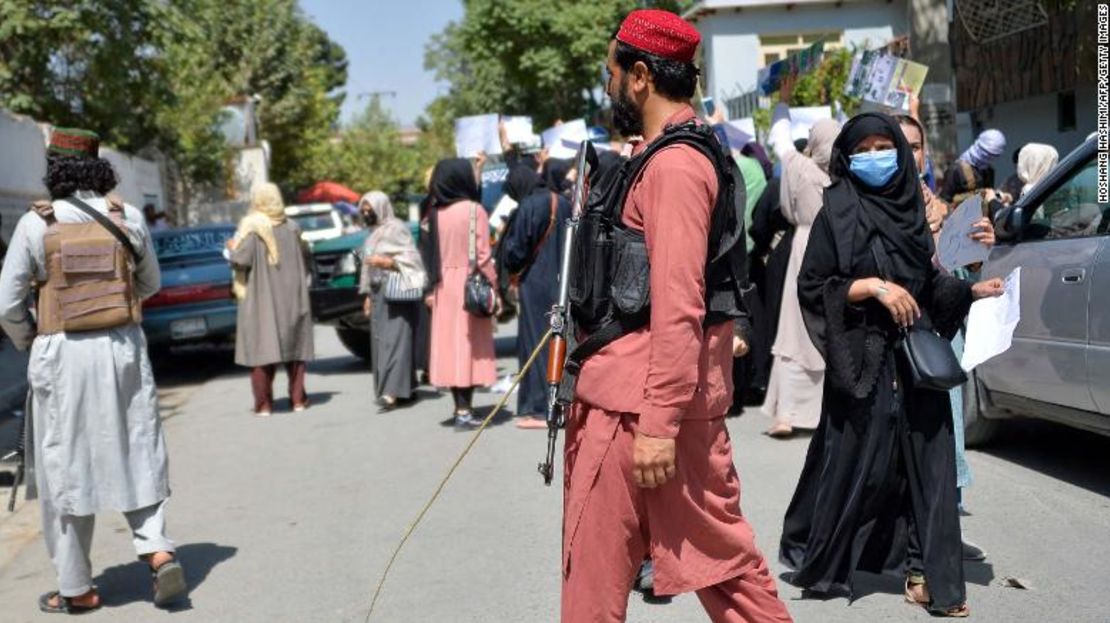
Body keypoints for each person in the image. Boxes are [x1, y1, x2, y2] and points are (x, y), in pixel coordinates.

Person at [560, 11, 793, 622]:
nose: (607, 84)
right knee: (728, 574)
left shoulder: (674, 167)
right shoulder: (668, 156)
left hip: (639, 410)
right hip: (646, 399)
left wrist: (658, 425)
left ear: (640, 76)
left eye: (611, 71)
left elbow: (680, 303)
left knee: (601, 581)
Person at [779, 112, 1005, 618]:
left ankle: (933, 579)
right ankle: (826, 556)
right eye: (866, 147)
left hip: (917, 357)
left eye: (888, 146)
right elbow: (815, 287)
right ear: (847, 155)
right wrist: (872, 288)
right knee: (859, 464)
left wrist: (971, 290)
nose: (877, 155)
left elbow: (929, 286)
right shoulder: (836, 210)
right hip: (863, 359)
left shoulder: (911, 210)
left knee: (931, 465)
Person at [0, 128, 186, 613]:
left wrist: (30, 338)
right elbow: (150, 284)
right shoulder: (129, 218)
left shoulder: (35, 224)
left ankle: (77, 587)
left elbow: (6, 304)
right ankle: (157, 548)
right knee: (137, 445)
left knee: (64, 463)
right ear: (98, 166)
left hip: (61, 354)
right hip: (123, 346)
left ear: (55, 168)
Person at [761, 76, 840, 438]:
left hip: (802, 246)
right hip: (832, 250)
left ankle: (787, 413)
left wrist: (783, 102)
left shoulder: (796, 165)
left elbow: (778, 137)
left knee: (794, 327)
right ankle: (822, 411)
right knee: (826, 325)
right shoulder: (841, 177)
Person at [227, 182, 314, 416]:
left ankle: (264, 404)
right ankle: (298, 400)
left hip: (262, 299)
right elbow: (307, 257)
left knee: (262, 351)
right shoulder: (293, 227)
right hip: (293, 298)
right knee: (295, 350)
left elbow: (240, 260)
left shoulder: (253, 228)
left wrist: (230, 249)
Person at [425, 158, 499, 426]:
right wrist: (494, 286)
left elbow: (429, 254)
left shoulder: (435, 213)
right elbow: (483, 255)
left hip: (444, 285)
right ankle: (466, 409)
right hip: (469, 283)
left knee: (449, 346)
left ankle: (459, 408)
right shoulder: (474, 211)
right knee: (468, 346)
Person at [497, 164, 571, 428]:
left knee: (535, 345)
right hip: (563, 283)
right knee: (559, 343)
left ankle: (539, 409)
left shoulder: (528, 206)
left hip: (536, 285)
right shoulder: (562, 202)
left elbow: (515, 251)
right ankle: (561, 405)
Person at [358, 191, 426, 411]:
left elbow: (413, 259)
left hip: (397, 292)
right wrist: (368, 295)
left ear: (382, 207)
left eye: (370, 209)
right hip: (379, 293)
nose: (366, 213)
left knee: (396, 341)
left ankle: (390, 393)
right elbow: (367, 267)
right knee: (381, 341)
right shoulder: (373, 232)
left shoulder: (396, 229)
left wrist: (388, 262)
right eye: (363, 209)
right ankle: (405, 388)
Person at [938, 129, 1006, 204]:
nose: (990, 158)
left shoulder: (989, 170)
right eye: (988, 153)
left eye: (994, 155)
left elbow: (989, 195)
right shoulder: (956, 170)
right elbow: (944, 200)